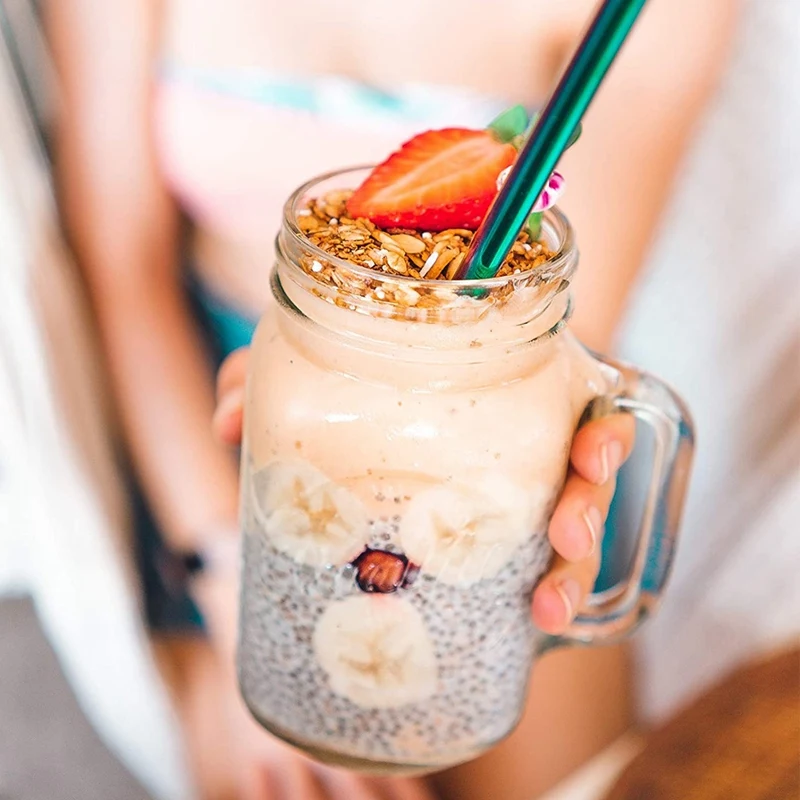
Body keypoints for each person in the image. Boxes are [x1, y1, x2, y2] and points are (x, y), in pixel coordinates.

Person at [46, 0, 739, 797]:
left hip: (490, 435)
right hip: (213, 441)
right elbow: (123, 269)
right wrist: (228, 574)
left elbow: (567, 328)